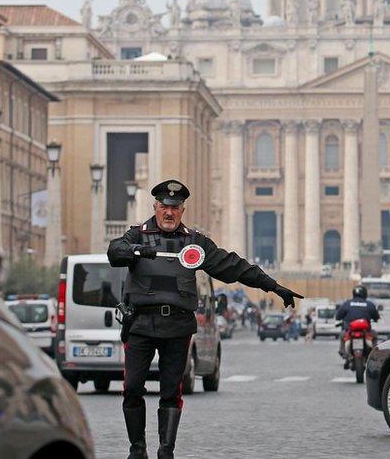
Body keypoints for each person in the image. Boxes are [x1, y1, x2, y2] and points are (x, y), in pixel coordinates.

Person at [108, 179, 303, 459]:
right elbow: (114, 252)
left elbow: (233, 266)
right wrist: (137, 251)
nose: (169, 212)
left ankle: (166, 451)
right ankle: (137, 450)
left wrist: (273, 286)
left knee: (171, 392)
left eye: (175, 208)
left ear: (182, 210)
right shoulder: (136, 235)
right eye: (164, 206)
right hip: (141, 325)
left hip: (177, 327)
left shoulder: (194, 244)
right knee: (133, 389)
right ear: (155, 207)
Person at [335, 285, 380, 367]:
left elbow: (338, 316)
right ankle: (375, 353)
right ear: (365, 294)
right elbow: (376, 316)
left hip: (349, 331)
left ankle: (343, 352)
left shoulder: (347, 303)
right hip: (366, 331)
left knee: (342, 336)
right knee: (375, 335)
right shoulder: (369, 304)